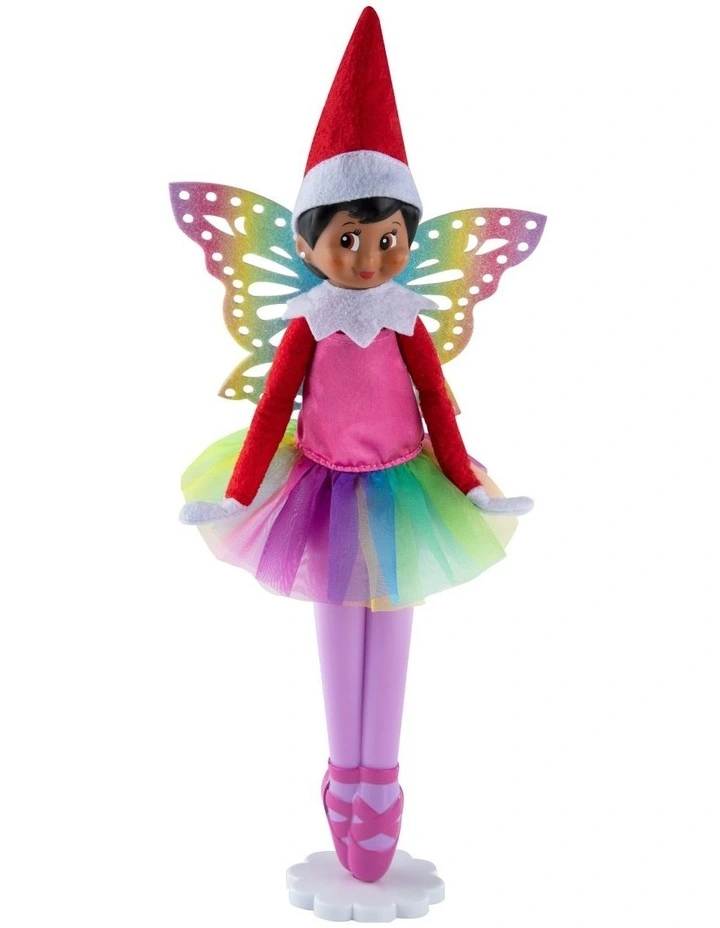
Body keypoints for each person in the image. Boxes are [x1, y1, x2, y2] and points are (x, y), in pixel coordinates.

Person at [177, 7, 533, 883]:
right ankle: (347, 780)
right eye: (348, 240)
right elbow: (272, 411)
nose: (370, 259)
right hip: (324, 491)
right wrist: (238, 493)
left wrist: (469, 482)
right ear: (306, 243)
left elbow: (437, 404)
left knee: (394, 624)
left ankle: (382, 781)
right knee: (339, 625)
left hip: (405, 488)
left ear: (409, 237)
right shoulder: (309, 319)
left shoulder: (409, 317)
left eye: (387, 240)